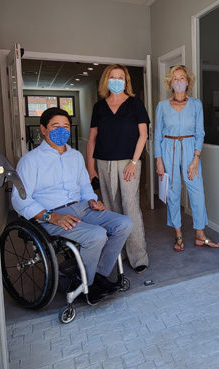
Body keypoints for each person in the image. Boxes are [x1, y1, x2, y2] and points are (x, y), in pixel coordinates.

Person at [11, 107, 132, 303]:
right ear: (43, 129)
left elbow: (84, 185)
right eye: (55, 126)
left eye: (65, 126)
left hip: (82, 208)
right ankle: (85, 283)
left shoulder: (75, 156)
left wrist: (92, 199)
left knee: (124, 223)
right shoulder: (30, 161)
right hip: (52, 215)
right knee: (97, 235)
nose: (62, 130)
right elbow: (19, 199)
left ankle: (96, 276)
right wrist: (51, 216)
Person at [87, 64, 150, 273]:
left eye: (120, 77)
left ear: (126, 81)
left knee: (130, 207)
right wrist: (91, 167)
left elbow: (143, 135)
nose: (116, 81)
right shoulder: (99, 107)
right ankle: (117, 254)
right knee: (111, 209)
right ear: (107, 80)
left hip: (128, 163)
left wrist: (134, 162)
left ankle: (138, 256)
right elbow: (92, 139)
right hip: (104, 163)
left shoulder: (135, 104)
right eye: (112, 77)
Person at [154, 65, 219, 252]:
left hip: (191, 149)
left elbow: (200, 132)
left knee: (197, 192)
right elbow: (158, 135)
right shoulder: (161, 106)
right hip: (169, 149)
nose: (179, 81)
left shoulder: (196, 104)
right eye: (175, 78)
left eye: (182, 77)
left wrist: (196, 158)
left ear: (188, 81)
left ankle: (200, 235)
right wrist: (158, 160)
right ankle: (178, 234)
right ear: (170, 83)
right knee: (173, 193)